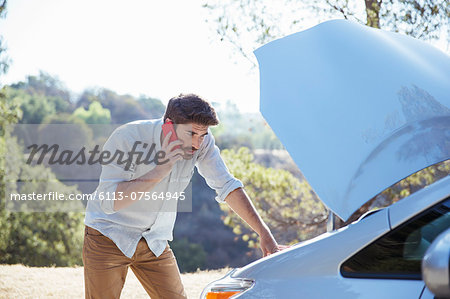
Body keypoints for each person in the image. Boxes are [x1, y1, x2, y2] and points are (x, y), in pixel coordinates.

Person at [83, 93, 284, 299]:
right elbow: (110, 202)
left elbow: (226, 185)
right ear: (168, 125)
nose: (197, 144)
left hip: (154, 240)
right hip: (108, 235)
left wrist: (263, 232)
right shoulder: (128, 137)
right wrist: (161, 169)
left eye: (203, 135)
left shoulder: (201, 142)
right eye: (191, 134)